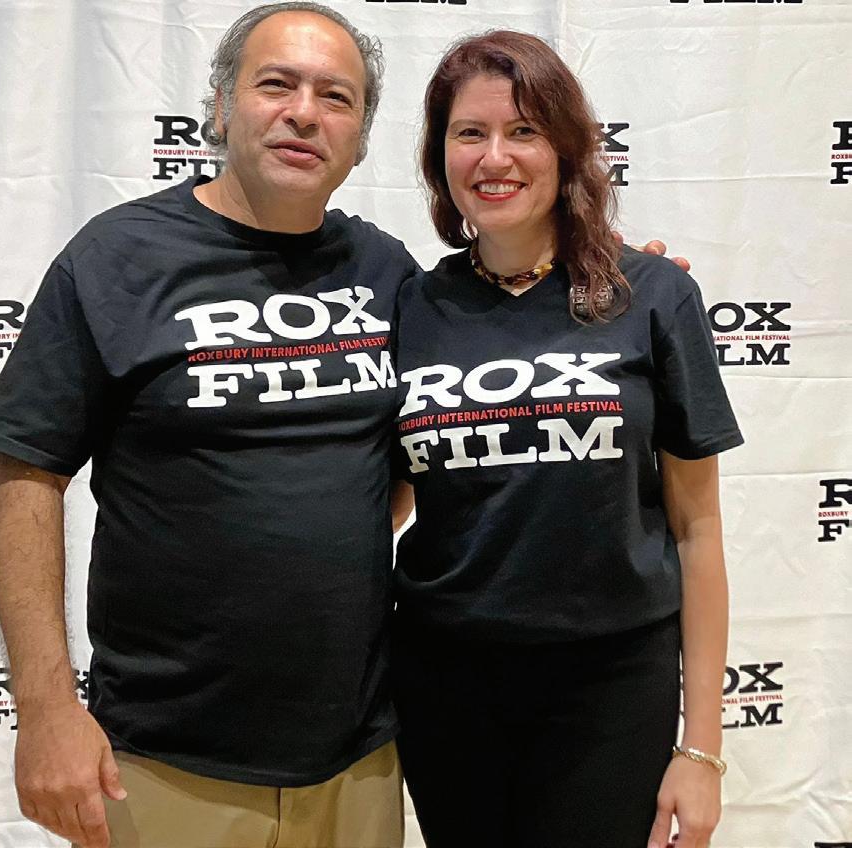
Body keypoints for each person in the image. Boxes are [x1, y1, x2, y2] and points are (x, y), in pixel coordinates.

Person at [0, 5, 686, 847]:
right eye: (276, 84)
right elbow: (26, 474)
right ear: (220, 106)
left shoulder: (384, 272)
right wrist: (47, 708)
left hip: (361, 751)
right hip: (167, 754)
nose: (304, 113)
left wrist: (621, 293)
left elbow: (455, 405)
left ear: (360, 136)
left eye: (335, 96)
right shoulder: (117, 259)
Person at [390, 31, 742, 848]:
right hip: (444, 687)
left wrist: (701, 749)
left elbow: (697, 529)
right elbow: (393, 497)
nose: (494, 157)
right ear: (440, 156)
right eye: (469, 133)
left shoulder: (651, 294)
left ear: (566, 148)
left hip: (609, 685)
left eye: (523, 130)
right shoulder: (410, 308)